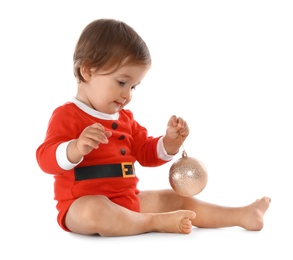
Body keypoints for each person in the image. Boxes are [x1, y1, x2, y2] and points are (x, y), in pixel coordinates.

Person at [36, 18, 271, 237]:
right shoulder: (67, 115)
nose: (127, 94)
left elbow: (146, 153)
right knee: (94, 210)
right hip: (80, 206)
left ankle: (242, 215)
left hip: (128, 199)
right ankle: (155, 222)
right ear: (87, 70)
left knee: (178, 199)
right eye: (121, 82)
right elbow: (45, 158)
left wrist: (169, 143)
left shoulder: (125, 118)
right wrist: (74, 148)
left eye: (134, 87)